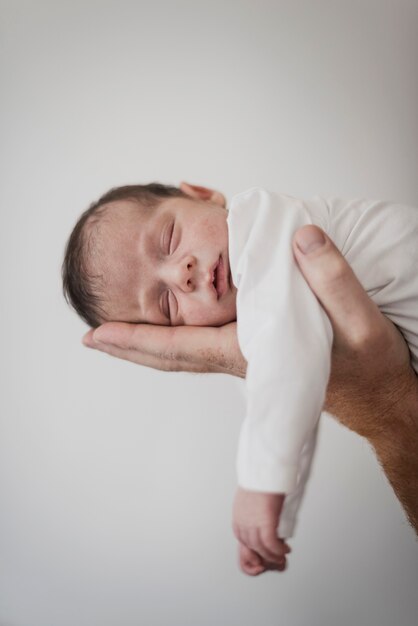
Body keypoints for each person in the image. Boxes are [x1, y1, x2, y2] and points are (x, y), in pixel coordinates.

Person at [63, 182, 418, 575]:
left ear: (202, 195)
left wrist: (259, 484)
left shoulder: (259, 222)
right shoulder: (257, 329)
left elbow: (289, 356)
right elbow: (284, 407)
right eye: (166, 304)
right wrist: (274, 518)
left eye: (169, 238)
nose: (181, 274)